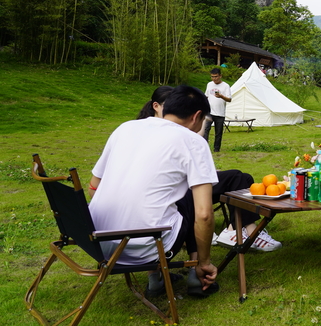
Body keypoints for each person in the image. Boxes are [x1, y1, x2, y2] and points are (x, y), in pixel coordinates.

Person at [88, 85, 220, 298]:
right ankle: (197, 273)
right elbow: (204, 214)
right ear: (197, 116)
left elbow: (93, 185)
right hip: (146, 246)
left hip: (98, 242)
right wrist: (204, 261)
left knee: (165, 196)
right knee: (189, 197)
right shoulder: (193, 141)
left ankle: (155, 279)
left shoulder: (126, 128)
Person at [138, 86, 281, 252]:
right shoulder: (168, 134)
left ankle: (234, 229)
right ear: (156, 106)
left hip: (115, 231)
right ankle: (243, 231)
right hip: (180, 195)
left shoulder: (131, 130)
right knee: (237, 177)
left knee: (243, 177)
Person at [204, 68, 232, 153]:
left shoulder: (226, 86)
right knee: (205, 129)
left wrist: (221, 96)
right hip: (209, 112)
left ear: (220, 76)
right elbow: (206, 96)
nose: (214, 79)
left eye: (216, 77)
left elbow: (229, 99)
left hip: (220, 113)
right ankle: (205, 148)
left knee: (218, 132)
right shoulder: (209, 84)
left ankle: (216, 149)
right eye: (212, 77)